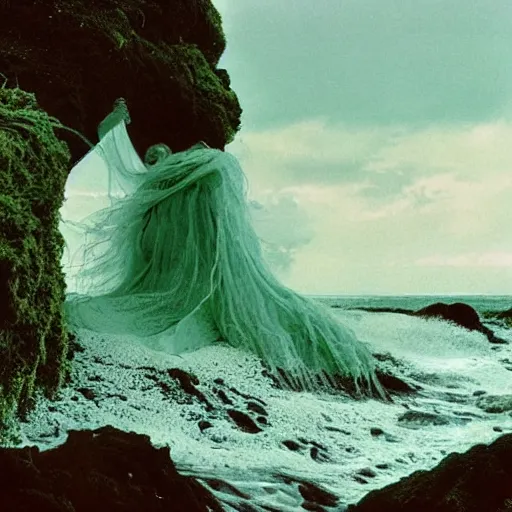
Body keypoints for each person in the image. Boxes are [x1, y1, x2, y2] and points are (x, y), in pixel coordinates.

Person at [62, 99, 385, 398]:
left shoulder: (200, 174)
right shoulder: (204, 174)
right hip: (189, 225)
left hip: (189, 222)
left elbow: (133, 166)